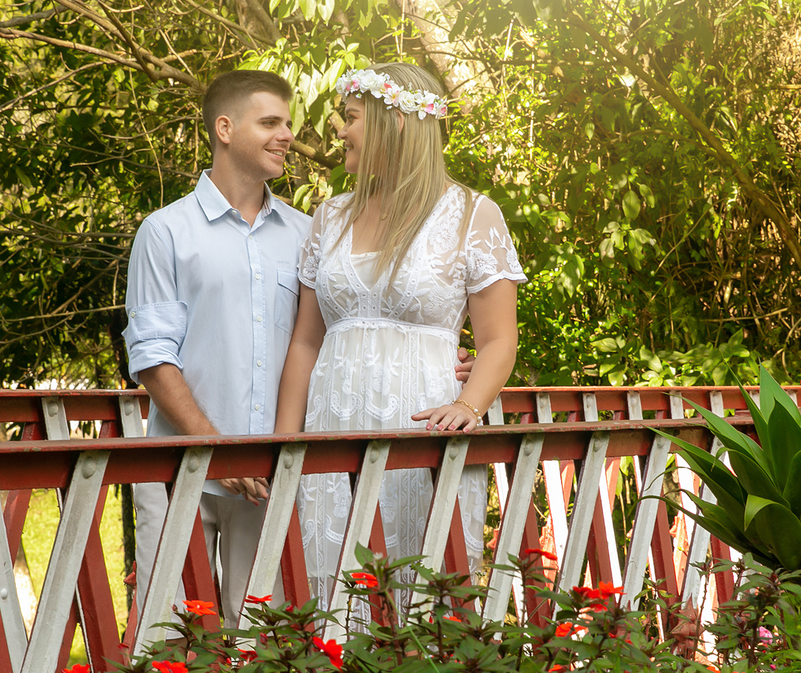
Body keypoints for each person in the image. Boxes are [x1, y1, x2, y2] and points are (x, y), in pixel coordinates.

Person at [124, 70, 474, 629]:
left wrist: (439, 360)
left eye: (288, 122)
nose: (288, 134)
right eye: (270, 122)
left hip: (271, 475)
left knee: (262, 641)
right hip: (184, 466)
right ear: (224, 128)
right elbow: (151, 356)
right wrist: (216, 445)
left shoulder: (310, 230)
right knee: (170, 639)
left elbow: (337, 325)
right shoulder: (166, 233)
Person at [275, 62, 527, 606]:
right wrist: (283, 447)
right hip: (331, 431)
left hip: (421, 436)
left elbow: (499, 341)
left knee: (421, 602)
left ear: (399, 123)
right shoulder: (330, 217)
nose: (339, 130)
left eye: (351, 117)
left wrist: (468, 402)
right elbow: (304, 343)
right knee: (329, 603)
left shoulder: (472, 216)